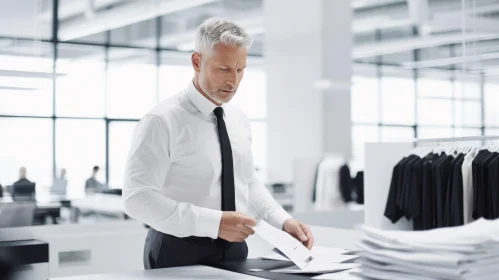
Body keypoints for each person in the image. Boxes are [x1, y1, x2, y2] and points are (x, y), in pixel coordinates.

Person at [123, 18, 314, 270]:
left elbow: (247, 182)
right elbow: (137, 198)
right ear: (196, 61)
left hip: (235, 250)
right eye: (223, 69)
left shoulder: (238, 119)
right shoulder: (161, 120)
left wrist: (283, 220)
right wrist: (213, 223)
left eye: (240, 69)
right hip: (177, 251)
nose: (233, 82)